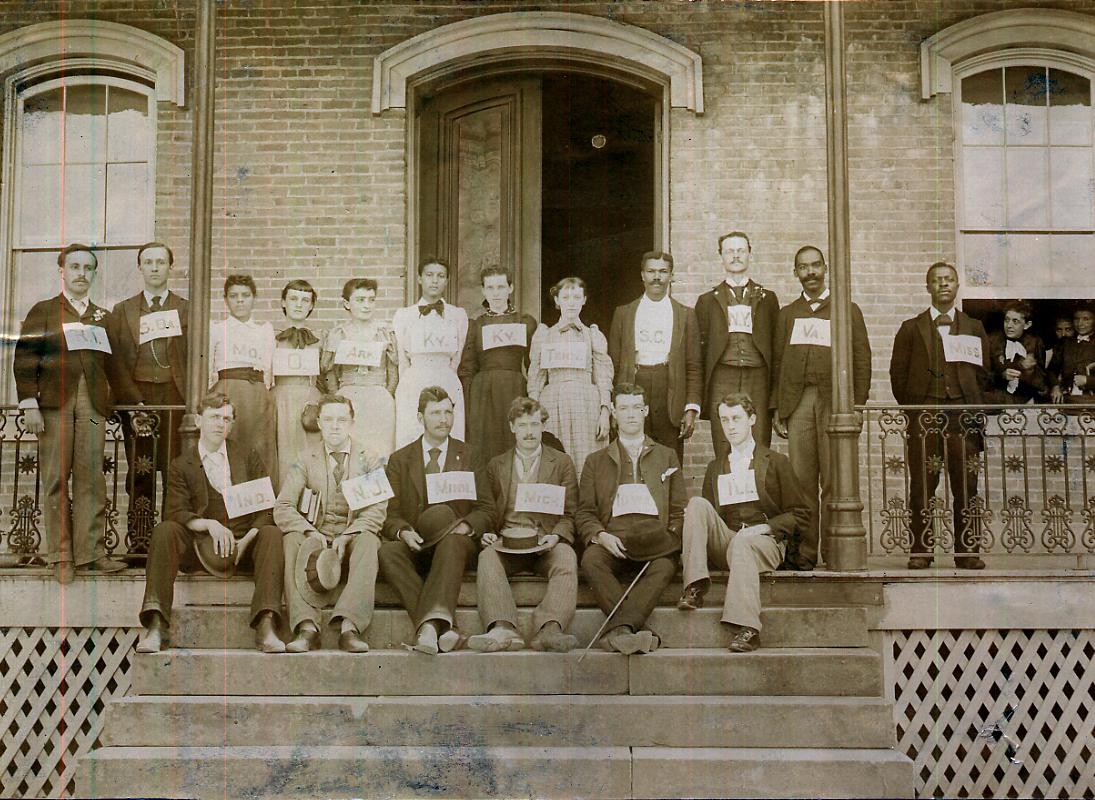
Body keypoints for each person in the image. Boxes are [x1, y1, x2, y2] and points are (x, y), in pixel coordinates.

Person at [14, 243, 141, 583]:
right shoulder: (43, 310)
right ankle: (58, 556)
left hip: (93, 404)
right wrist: (29, 402)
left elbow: (115, 368)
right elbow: (25, 359)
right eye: (75, 267)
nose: (81, 274)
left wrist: (135, 403)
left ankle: (91, 553)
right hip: (54, 403)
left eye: (88, 268)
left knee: (91, 479)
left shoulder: (103, 317)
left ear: (94, 274)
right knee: (56, 478)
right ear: (63, 271)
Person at [135, 393, 285, 654]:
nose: (220, 424)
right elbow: (176, 511)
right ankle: (157, 624)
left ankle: (266, 624)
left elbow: (266, 507)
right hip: (201, 547)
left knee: (271, 533)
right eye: (214, 417)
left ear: (232, 424)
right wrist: (208, 525)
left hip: (243, 546)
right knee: (164, 531)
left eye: (227, 419)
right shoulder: (182, 465)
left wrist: (248, 538)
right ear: (199, 420)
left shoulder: (247, 456)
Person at [677, 393, 809, 652]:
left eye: (736, 418)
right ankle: (694, 585)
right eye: (725, 420)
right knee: (696, 505)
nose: (731, 426)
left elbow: (801, 513)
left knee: (743, 544)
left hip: (765, 541)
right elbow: (710, 517)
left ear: (752, 419)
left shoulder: (776, 462)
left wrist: (766, 527)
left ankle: (748, 628)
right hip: (729, 539)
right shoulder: (716, 467)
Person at [771, 246, 871, 568]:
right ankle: (804, 553)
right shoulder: (788, 314)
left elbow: (861, 357)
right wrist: (778, 408)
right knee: (800, 481)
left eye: (816, 265)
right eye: (803, 267)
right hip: (799, 403)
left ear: (826, 267)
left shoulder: (845, 310)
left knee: (833, 478)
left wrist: (856, 404)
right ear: (795, 272)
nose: (810, 272)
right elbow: (778, 363)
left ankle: (836, 551)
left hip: (834, 402)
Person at [889, 262, 991, 570]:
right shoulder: (911, 327)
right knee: (922, 483)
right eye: (936, 280)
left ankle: (967, 551)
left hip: (963, 416)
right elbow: (898, 375)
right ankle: (921, 549)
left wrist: (971, 402)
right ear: (928, 288)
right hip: (925, 418)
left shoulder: (974, 327)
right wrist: (917, 406)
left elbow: (984, 374)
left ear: (957, 285)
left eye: (948, 280)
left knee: (966, 483)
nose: (943, 284)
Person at [465, 397, 580, 653]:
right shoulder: (497, 465)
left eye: (535, 424)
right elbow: (487, 509)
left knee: (567, 557)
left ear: (543, 427)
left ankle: (549, 628)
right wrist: (487, 534)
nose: (529, 432)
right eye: (523, 425)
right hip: (507, 541)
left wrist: (557, 536)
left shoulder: (561, 463)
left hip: (544, 542)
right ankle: (503, 627)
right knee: (487, 557)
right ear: (512, 427)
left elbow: (570, 513)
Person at [577, 383, 685, 654]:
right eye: (623, 408)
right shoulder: (595, 461)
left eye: (637, 407)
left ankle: (619, 630)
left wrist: (669, 534)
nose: (630, 414)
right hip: (614, 538)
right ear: (613, 413)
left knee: (665, 565)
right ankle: (628, 630)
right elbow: (585, 512)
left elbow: (679, 507)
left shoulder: (667, 455)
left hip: (654, 541)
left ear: (646, 411)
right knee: (591, 559)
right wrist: (601, 535)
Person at [275, 395, 387, 653]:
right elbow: (283, 507)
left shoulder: (368, 458)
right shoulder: (304, 459)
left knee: (370, 540)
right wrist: (310, 532)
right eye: (328, 419)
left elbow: (378, 509)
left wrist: (348, 535)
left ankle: (350, 627)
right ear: (319, 423)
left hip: (351, 540)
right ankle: (306, 627)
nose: (335, 426)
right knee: (290, 538)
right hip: (315, 542)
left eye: (341, 419)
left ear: (352, 423)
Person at [379, 386, 478, 655]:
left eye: (448, 412)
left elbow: (487, 509)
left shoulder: (469, 455)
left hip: (456, 543)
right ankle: (444, 627)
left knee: (452, 544)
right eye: (435, 413)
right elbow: (391, 513)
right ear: (420, 417)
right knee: (388, 552)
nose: (443, 419)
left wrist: (467, 525)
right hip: (418, 541)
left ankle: (429, 629)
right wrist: (403, 532)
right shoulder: (400, 459)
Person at [108, 242, 189, 544]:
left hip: (175, 399)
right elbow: (115, 361)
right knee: (140, 471)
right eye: (149, 262)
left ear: (171, 267)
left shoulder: (185, 309)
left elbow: (194, 357)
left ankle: (171, 544)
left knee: (174, 472)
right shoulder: (124, 310)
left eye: (161, 262)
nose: (155, 268)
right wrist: (132, 401)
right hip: (138, 399)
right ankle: (140, 542)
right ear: (140, 267)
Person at [608, 251, 702, 464]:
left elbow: (694, 366)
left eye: (663, 272)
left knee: (668, 459)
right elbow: (612, 364)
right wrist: (614, 405)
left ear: (671, 275)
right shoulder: (623, 313)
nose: (656, 277)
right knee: (631, 456)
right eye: (651, 271)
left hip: (669, 389)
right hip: (633, 385)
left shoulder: (685, 315)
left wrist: (691, 408)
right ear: (642, 275)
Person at [695, 231, 780, 455]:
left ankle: (757, 489)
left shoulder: (767, 298)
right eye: (730, 251)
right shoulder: (707, 300)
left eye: (741, 251)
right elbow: (701, 349)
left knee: (759, 438)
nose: (735, 256)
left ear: (750, 254)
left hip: (758, 376)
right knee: (725, 439)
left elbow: (776, 345)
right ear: (721, 257)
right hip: (723, 375)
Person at [528, 277, 613, 474]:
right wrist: (534, 415)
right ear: (557, 301)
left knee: (587, 459)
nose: (571, 302)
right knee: (556, 458)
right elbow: (536, 377)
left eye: (576, 297)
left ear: (584, 300)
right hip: (553, 403)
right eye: (566, 297)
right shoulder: (544, 334)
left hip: (586, 403)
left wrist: (605, 412)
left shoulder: (593, 335)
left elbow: (603, 376)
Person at [458, 266, 538, 470]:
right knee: (484, 445)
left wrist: (533, 396)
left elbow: (533, 364)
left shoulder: (524, 322)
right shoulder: (476, 325)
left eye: (501, 287)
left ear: (510, 288)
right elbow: (467, 367)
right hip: (483, 393)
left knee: (512, 440)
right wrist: (468, 402)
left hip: (514, 389)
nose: (496, 293)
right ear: (483, 291)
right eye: (490, 287)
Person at [392, 258, 468, 449]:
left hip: (446, 377)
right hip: (414, 379)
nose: (435, 281)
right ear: (419, 278)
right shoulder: (404, 315)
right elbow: (402, 359)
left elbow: (457, 356)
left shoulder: (457, 315)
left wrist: (446, 375)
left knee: (447, 433)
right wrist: (407, 385)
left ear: (447, 280)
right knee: (412, 433)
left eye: (440, 276)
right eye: (429, 275)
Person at [322, 278, 398, 458]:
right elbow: (329, 372)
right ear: (347, 304)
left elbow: (393, 370)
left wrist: (385, 394)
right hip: (348, 398)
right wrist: (338, 398)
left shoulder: (384, 332)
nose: (367, 305)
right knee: (351, 453)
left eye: (371, 300)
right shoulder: (338, 334)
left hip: (379, 398)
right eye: (360, 300)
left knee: (379, 453)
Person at [209, 275, 276, 473]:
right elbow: (209, 369)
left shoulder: (264, 330)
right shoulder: (217, 329)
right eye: (233, 296)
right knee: (230, 445)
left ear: (254, 298)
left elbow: (269, 369)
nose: (240, 300)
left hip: (257, 396)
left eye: (245, 295)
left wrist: (264, 395)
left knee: (259, 448)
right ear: (225, 299)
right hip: (228, 393)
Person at [273, 279, 324, 486]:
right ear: (284, 302)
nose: (299, 304)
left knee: (309, 452)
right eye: (293, 299)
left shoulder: (319, 339)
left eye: (305, 300)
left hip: (309, 399)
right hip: (280, 399)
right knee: (283, 453)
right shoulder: (272, 337)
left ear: (311, 305)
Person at [988, 300, 1046, 404]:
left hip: (1026, 400)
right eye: (1006, 320)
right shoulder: (992, 341)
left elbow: (1042, 378)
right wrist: (1001, 376)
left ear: (1027, 325)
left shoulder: (1035, 342)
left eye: (1015, 321)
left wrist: (1031, 372)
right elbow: (983, 375)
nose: (1009, 325)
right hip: (998, 401)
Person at [1049, 303, 1095, 405]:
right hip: (1068, 401)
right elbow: (1052, 370)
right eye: (1076, 319)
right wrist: (1055, 386)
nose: (1080, 324)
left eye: (1086, 319)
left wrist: (1088, 381)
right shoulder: (1066, 343)